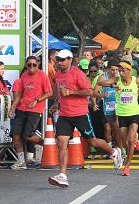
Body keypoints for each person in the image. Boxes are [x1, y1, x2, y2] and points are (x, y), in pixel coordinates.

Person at [48, 50, 122, 188]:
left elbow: (88, 91)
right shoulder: (58, 74)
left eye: (63, 60)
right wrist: (57, 103)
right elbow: (59, 90)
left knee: (93, 141)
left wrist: (70, 92)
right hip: (64, 114)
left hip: (80, 114)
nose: (60, 62)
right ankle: (63, 175)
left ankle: (114, 152)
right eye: (58, 60)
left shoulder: (78, 74)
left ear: (70, 60)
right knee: (61, 142)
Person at [97, 60, 139, 176]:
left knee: (130, 140)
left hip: (134, 113)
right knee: (125, 141)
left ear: (129, 71)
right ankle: (135, 141)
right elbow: (101, 83)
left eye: (123, 70)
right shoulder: (117, 80)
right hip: (122, 114)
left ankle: (127, 166)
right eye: (119, 70)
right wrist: (112, 84)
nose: (120, 72)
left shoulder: (136, 80)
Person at [9, 56, 53, 170]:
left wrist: (36, 100)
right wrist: (13, 107)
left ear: (38, 64)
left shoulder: (42, 75)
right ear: (26, 65)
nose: (32, 66)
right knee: (16, 135)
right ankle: (21, 162)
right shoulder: (24, 76)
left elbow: (49, 93)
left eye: (34, 64)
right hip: (22, 109)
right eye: (29, 64)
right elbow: (19, 94)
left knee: (27, 135)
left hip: (35, 110)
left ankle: (47, 143)